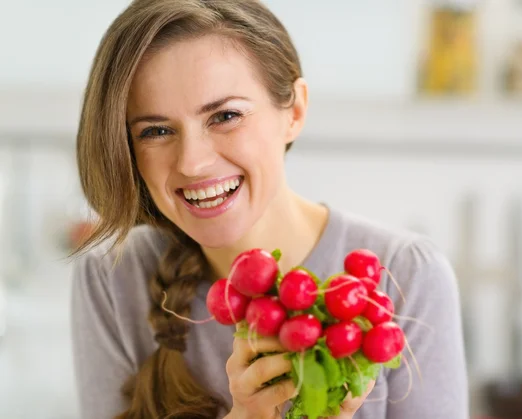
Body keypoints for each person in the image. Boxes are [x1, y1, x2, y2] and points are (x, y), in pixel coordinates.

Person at [70, 0, 469, 418]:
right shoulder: (110, 277)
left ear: (294, 112)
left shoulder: (407, 274)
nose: (191, 162)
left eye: (225, 115)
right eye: (155, 130)